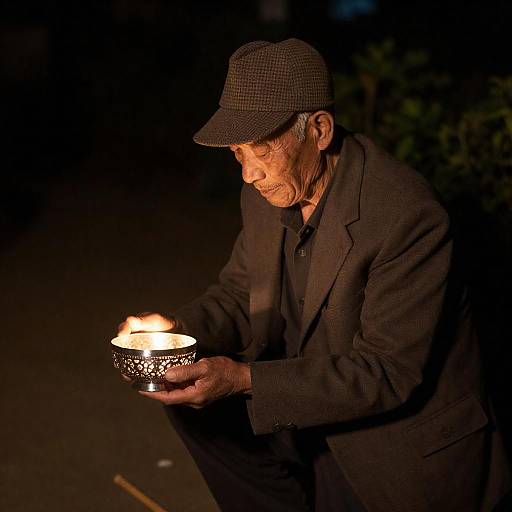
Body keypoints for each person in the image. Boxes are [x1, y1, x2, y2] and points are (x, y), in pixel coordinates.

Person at [117, 38, 511, 511]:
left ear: (319, 130)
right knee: (190, 404)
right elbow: (243, 292)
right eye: (238, 153)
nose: (248, 174)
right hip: (309, 413)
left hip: (391, 446)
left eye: (261, 149)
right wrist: (173, 334)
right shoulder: (268, 191)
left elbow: (385, 373)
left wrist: (244, 379)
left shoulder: (406, 215)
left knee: (233, 393)